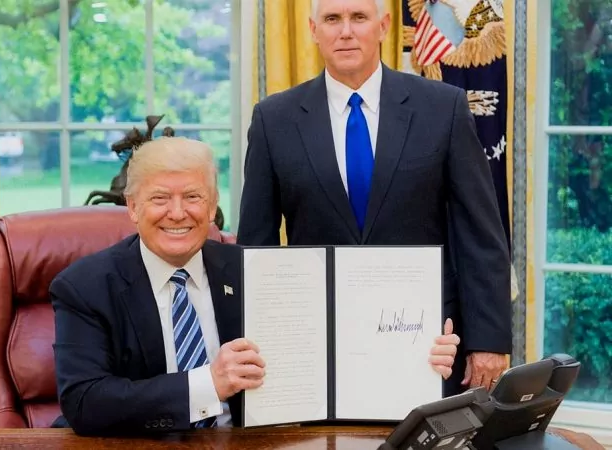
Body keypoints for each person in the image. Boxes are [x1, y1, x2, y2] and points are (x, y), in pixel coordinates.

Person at [51, 136, 462, 436]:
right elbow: (86, 402)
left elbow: (336, 355)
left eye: (193, 197)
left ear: (212, 207)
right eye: (160, 198)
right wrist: (207, 384)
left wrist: (414, 355)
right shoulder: (85, 286)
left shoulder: (259, 271)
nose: (178, 213)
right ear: (133, 207)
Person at [237, 0, 511, 395]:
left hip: (429, 345)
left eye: (358, 18)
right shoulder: (273, 119)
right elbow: (256, 247)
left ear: (383, 26)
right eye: (332, 19)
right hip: (318, 344)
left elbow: (480, 233)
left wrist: (488, 340)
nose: (345, 31)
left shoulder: (443, 107)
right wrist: (261, 342)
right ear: (314, 30)